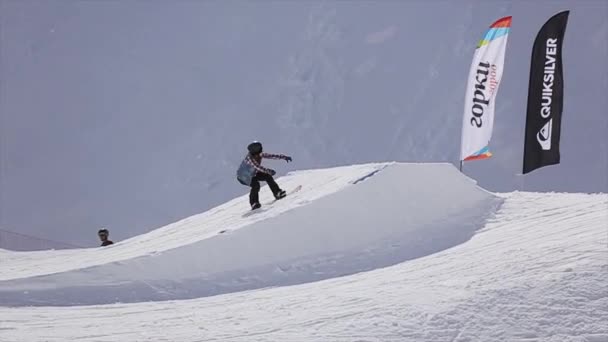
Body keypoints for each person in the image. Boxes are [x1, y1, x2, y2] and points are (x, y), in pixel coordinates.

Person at [236, 141, 292, 210]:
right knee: (255, 185)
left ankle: (277, 193)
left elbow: (270, 156)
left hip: (253, 174)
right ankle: (254, 203)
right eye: (260, 149)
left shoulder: (258, 154)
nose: (261, 151)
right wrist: (268, 171)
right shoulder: (250, 159)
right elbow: (258, 167)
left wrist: (283, 157)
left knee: (268, 176)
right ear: (255, 151)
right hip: (243, 177)